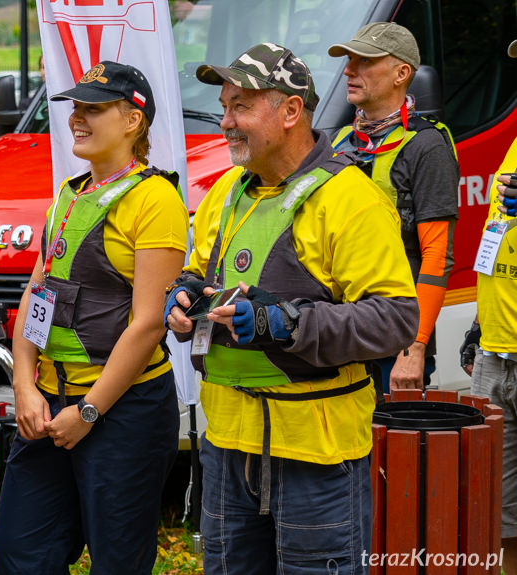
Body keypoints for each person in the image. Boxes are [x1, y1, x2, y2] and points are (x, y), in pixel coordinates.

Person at [164, 44, 418, 574]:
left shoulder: (352, 198)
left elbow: (395, 319)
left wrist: (284, 322)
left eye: (241, 107)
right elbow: (197, 273)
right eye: (224, 105)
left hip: (315, 455)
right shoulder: (225, 193)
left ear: (290, 111)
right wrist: (183, 297)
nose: (226, 121)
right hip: (228, 444)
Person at [0, 61, 188, 574]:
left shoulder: (156, 198)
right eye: (76, 107)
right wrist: (23, 383)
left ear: (133, 121)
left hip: (124, 413)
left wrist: (90, 412)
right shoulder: (70, 192)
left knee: (117, 563)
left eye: (93, 109)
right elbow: (37, 293)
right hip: (50, 404)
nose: (77, 117)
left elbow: (148, 324)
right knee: (19, 556)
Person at [329, 22, 459, 392]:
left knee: (393, 449)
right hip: (341, 333)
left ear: (402, 73)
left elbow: (436, 255)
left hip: (394, 345)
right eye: (349, 60)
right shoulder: (339, 142)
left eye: (364, 61)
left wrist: (414, 347)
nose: (349, 70)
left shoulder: (427, 146)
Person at [459, 37, 517, 575]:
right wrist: (479, 326)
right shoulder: (515, 142)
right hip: (498, 350)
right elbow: (499, 236)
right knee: (498, 514)